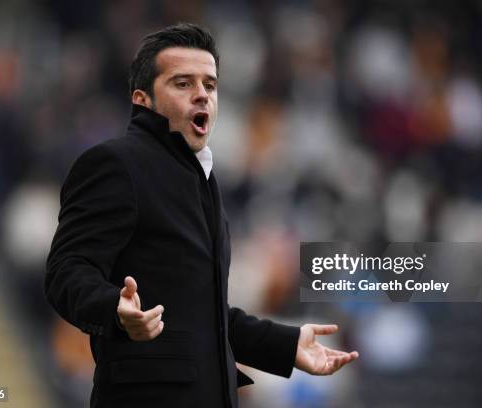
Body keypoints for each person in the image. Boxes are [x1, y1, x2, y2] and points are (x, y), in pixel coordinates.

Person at [44, 23, 358, 408]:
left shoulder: (203, 182)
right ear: (142, 99)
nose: (201, 95)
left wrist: (287, 345)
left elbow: (204, 314)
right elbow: (65, 270)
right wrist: (113, 308)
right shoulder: (114, 163)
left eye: (209, 85)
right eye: (182, 83)